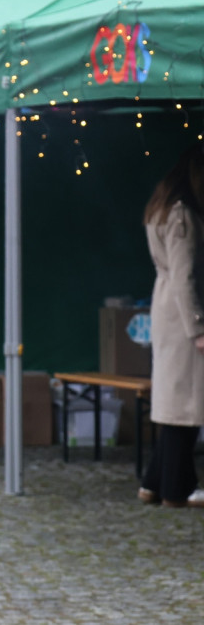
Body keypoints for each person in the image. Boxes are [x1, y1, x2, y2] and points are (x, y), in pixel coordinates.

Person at [139, 142, 204, 509]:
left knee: (175, 402)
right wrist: (198, 327)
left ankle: (154, 482)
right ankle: (177, 487)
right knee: (186, 405)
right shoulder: (182, 214)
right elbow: (185, 275)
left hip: (169, 310)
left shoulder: (164, 208)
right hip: (182, 316)